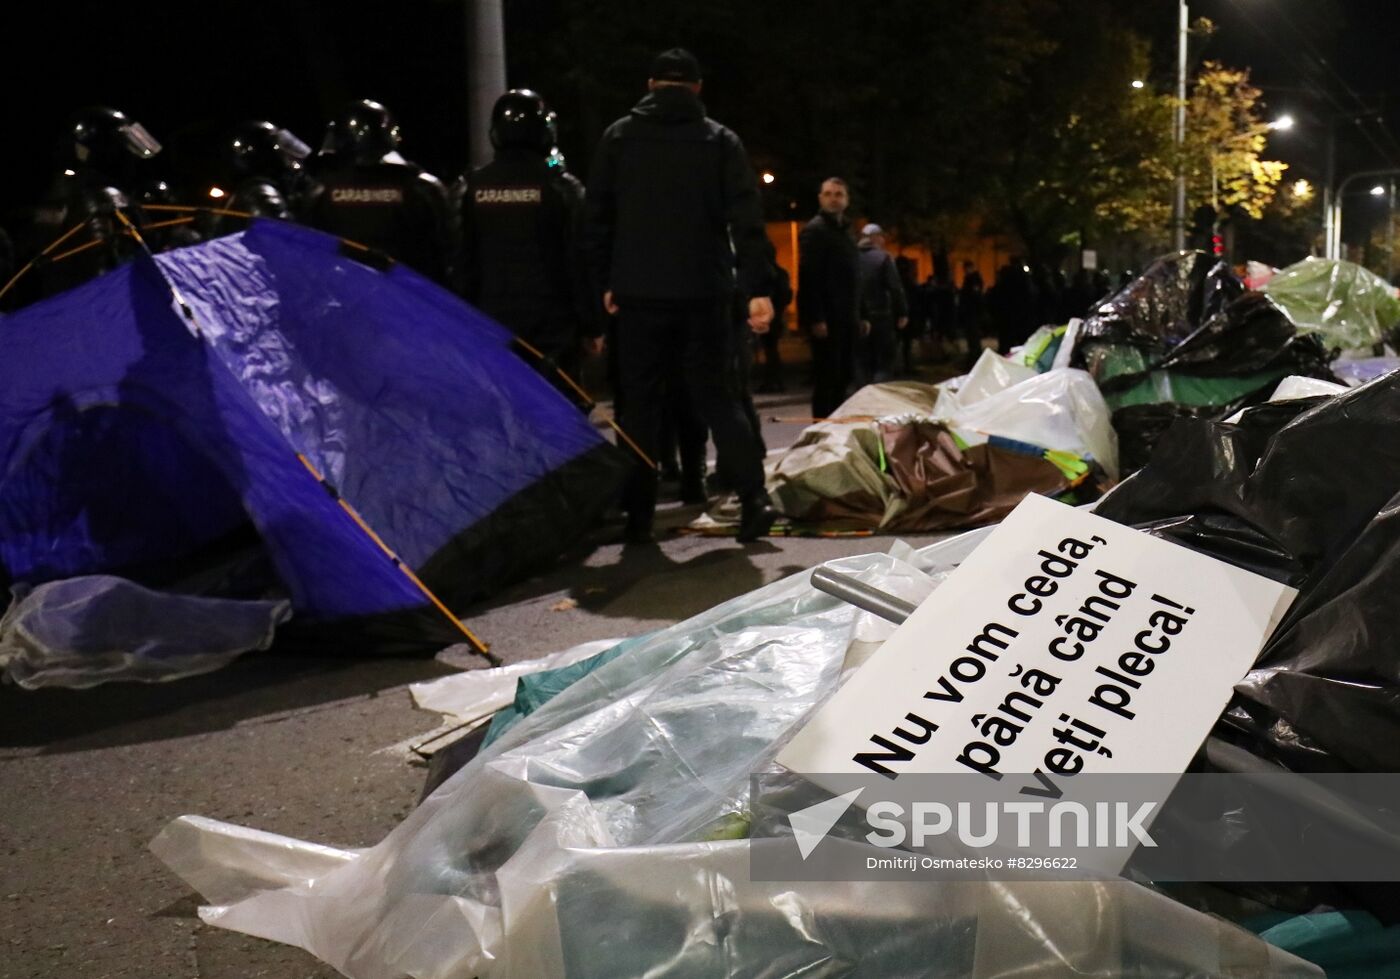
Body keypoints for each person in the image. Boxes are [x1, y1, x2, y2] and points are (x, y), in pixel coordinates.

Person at [584, 47, 777, 544]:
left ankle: (640, 513)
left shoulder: (619, 137)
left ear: (650, 85)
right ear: (696, 89)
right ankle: (755, 497)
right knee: (718, 398)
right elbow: (747, 222)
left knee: (641, 408)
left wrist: (606, 281)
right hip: (704, 292)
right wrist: (755, 287)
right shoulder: (720, 141)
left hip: (639, 293)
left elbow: (597, 218)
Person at [457, 89, 599, 382]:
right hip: (553, 330)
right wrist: (591, 326)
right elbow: (580, 262)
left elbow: (460, 263)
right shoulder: (562, 188)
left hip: (490, 323)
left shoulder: (471, 188)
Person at [302, 99, 455, 285]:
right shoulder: (422, 188)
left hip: (346, 297)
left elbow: (308, 258)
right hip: (407, 298)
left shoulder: (321, 191)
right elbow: (448, 257)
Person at [29, 106, 163, 297]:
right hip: (106, 301)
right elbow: (103, 260)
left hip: (78, 301)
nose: (129, 159)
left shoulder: (66, 191)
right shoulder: (97, 195)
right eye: (122, 149)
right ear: (105, 150)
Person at [798, 177, 864, 418]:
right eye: (828, 194)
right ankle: (821, 430)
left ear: (846, 200)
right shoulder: (815, 231)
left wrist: (861, 314)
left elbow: (855, 276)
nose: (833, 199)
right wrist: (816, 317)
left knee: (843, 377)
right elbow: (809, 278)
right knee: (827, 378)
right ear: (820, 198)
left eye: (838, 194)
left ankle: (834, 429)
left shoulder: (847, 231)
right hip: (828, 319)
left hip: (847, 317)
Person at [223, 120, 313, 224]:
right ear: (264, 151)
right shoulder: (260, 193)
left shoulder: (256, 187)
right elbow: (282, 231)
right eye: (277, 145)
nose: (285, 151)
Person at [855, 223, 908, 383]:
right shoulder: (883, 258)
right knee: (884, 362)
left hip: (856, 317)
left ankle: (862, 397)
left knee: (861, 361)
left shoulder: (850, 257)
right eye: (881, 236)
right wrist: (902, 312)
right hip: (881, 316)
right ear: (875, 238)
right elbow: (895, 287)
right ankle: (879, 397)